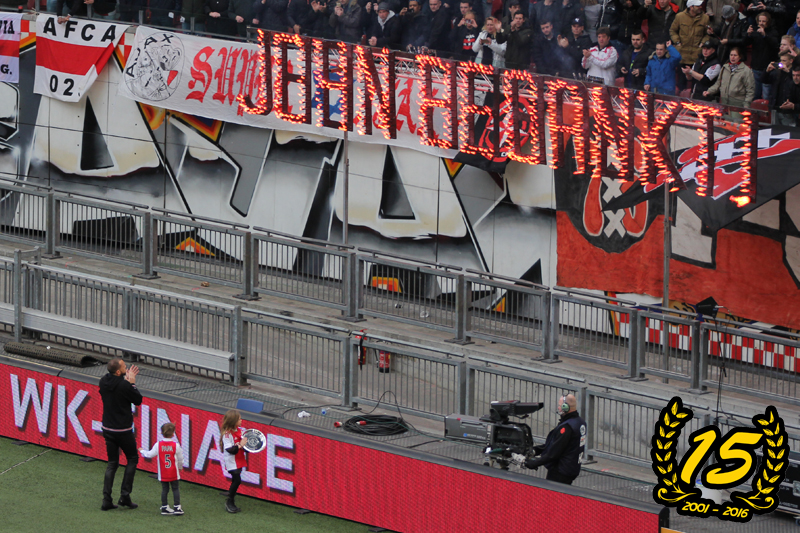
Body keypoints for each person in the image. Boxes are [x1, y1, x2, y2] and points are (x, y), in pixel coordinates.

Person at [512, 394, 587, 485]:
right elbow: (556, 445)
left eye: (559, 405)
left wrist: (532, 463)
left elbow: (553, 453)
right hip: (571, 468)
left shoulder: (567, 428)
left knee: (552, 493)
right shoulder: (580, 422)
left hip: (560, 471)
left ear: (565, 407)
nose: (558, 408)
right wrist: (536, 450)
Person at [99, 358, 142, 511]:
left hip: (107, 428)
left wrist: (126, 382)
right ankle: (125, 495)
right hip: (123, 430)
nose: (126, 367)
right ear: (118, 372)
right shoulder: (124, 385)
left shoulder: (103, 381)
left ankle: (106, 499)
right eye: (124, 367)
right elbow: (138, 400)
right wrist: (132, 383)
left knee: (112, 463)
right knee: (132, 458)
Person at [139, 423, 185, 516]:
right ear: (173, 434)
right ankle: (177, 507)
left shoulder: (158, 445)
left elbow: (149, 455)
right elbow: (180, 459)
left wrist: (142, 450)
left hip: (163, 472)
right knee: (175, 489)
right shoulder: (176, 445)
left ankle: (164, 507)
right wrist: (180, 467)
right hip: (173, 472)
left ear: (161, 433)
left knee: (165, 489)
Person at [670, 0, 710, 91]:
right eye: (698, 6)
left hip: (696, 56)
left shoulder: (705, 18)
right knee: (681, 83)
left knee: (694, 85)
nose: (701, 7)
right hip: (682, 55)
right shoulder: (680, 16)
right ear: (691, 7)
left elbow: (707, 34)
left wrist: (702, 43)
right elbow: (673, 31)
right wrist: (677, 42)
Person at [704, 46, 755, 112]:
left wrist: (746, 104)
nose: (732, 57)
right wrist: (709, 91)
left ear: (740, 57)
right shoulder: (725, 68)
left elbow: (750, 90)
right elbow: (718, 84)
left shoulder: (746, 71)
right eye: (731, 55)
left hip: (738, 105)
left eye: (735, 55)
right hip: (724, 103)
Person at [747, 11, 780, 100]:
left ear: (768, 22)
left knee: (766, 96)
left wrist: (765, 35)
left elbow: (775, 44)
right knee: (755, 95)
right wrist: (748, 35)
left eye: (764, 21)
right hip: (756, 67)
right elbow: (745, 43)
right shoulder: (755, 31)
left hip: (767, 68)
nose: (761, 23)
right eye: (760, 21)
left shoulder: (773, 32)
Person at [222, 410, 248, 513]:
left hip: (239, 458)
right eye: (239, 419)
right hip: (232, 461)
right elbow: (230, 450)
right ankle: (230, 501)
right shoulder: (227, 434)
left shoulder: (240, 431)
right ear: (233, 421)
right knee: (237, 480)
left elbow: (244, 446)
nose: (241, 420)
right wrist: (241, 445)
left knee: (236, 480)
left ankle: (230, 497)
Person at [767, 52, 797, 124]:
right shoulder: (777, 71)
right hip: (776, 107)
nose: (781, 63)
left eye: (784, 60)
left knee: (788, 129)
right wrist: (767, 71)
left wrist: (788, 71)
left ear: (791, 61)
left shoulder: (795, 72)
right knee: (775, 129)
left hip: (788, 110)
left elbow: (796, 84)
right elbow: (764, 80)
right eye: (781, 60)